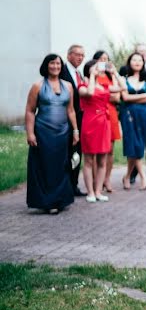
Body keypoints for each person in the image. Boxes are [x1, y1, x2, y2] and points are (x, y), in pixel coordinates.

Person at [25, 54, 78, 212]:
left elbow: (71, 110)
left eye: (58, 63)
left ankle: (60, 200)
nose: (55, 66)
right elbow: (29, 111)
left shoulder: (68, 86)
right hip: (43, 133)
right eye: (52, 63)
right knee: (44, 166)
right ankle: (46, 202)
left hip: (63, 133)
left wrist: (75, 130)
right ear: (46, 66)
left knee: (61, 167)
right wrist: (30, 133)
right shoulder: (38, 86)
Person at [78, 58, 122, 202]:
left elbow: (123, 87)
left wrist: (114, 72)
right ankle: (90, 192)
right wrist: (91, 76)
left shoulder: (104, 86)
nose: (99, 69)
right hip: (90, 123)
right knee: (89, 160)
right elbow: (90, 93)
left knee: (102, 159)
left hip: (104, 123)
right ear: (89, 70)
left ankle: (98, 191)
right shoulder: (82, 86)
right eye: (95, 67)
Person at [122, 44, 146, 184]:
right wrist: (144, 97)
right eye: (139, 52)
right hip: (132, 113)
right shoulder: (126, 71)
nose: (142, 54)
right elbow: (124, 94)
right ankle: (132, 174)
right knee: (135, 142)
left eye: (145, 52)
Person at [120, 52, 146, 190]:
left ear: (143, 63)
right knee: (131, 143)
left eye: (140, 60)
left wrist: (134, 97)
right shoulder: (123, 78)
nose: (137, 62)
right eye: (134, 59)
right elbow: (125, 98)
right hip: (128, 114)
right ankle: (143, 176)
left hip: (143, 114)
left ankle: (127, 176)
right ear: (129, 62)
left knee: (139, 144)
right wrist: (142, 96)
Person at [92, 50, 121, 193]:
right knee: (96, 150)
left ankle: (107, 179)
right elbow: (94, 95)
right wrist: (107, 95)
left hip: (112, 114)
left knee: (109, 149)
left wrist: (114, 73)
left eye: (107, 59)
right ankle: (95, 180)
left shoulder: (110, 77)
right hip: (98, 113)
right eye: (101, 59)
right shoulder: (92, 76)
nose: (104, 61)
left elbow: (116, 97)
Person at [59, 44, 86, 196]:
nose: (80, 58)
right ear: (69, 55)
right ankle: (64, 186)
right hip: (64, 120)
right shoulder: (61, 71)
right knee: (66, 153)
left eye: (82, 55)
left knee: (77, 152)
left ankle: (73, 185)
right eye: (77, 54)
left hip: (79, 119)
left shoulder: (79, 73)